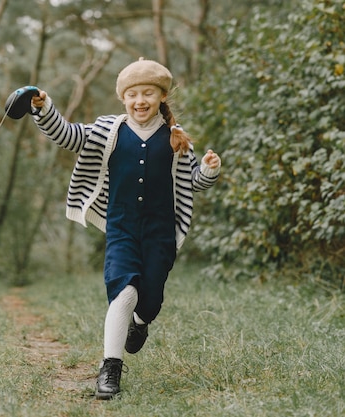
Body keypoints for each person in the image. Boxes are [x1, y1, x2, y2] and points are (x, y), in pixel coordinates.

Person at [29, 57, 221, 400]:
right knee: (124, 290)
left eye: (148, 93)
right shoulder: (108, 131)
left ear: (161, 96)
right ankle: (110, 370)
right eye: (133, 94)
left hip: (161, 232)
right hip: (121, 227)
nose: (140, 101)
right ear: (123, 98)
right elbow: (68, 135)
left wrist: (207, 171)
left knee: (150, 301)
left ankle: (141, 323)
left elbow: (194, 183)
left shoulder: (176, 139)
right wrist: (44, 108)